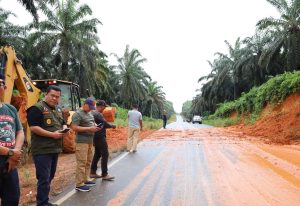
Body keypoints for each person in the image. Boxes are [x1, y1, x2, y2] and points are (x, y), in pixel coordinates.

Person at [27, 85, 67, 206]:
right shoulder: (36, 108)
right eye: (52, 96)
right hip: (42, 150)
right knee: (44, 178)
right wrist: (52, 135)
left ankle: (44, 201)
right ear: (46, 94)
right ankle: (41, 203)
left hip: (54, 149)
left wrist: (65, 129)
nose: (54, 99)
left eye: (57, 97)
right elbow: (33, 128)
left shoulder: (58, 109)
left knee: (50, 176)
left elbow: (63, 123)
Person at [0, 74, 25, 206]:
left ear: (4, 87)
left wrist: (15, 152)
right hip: (8, 157)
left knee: (12, 199)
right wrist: (11, 153)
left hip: (10, 164)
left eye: (0, 84)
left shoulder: (10, 109)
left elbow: (20, 131)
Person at [71, 97, 100, 192]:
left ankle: (85, 179)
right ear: (85, 105)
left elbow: (92, 122)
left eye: (92, 107)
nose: (91, 109)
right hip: (81, 142)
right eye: (90, 107)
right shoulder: (77, 114)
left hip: (90, 141)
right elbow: (74, 127)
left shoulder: (90, 113)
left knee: (88, 161)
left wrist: (95, 126)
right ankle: (79, 184)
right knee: (81, 163)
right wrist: (89, 129)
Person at [90, 100, 116, 180]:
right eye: (104, 107)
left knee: (97, 154)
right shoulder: (97, 114)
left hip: (95, 137)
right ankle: (104, 174)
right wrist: (112, 126)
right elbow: (105, 124)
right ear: (101, 106)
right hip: (100, 137)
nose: (104, 109)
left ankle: (93, 172)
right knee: (105, 154)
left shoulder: (92, 113)